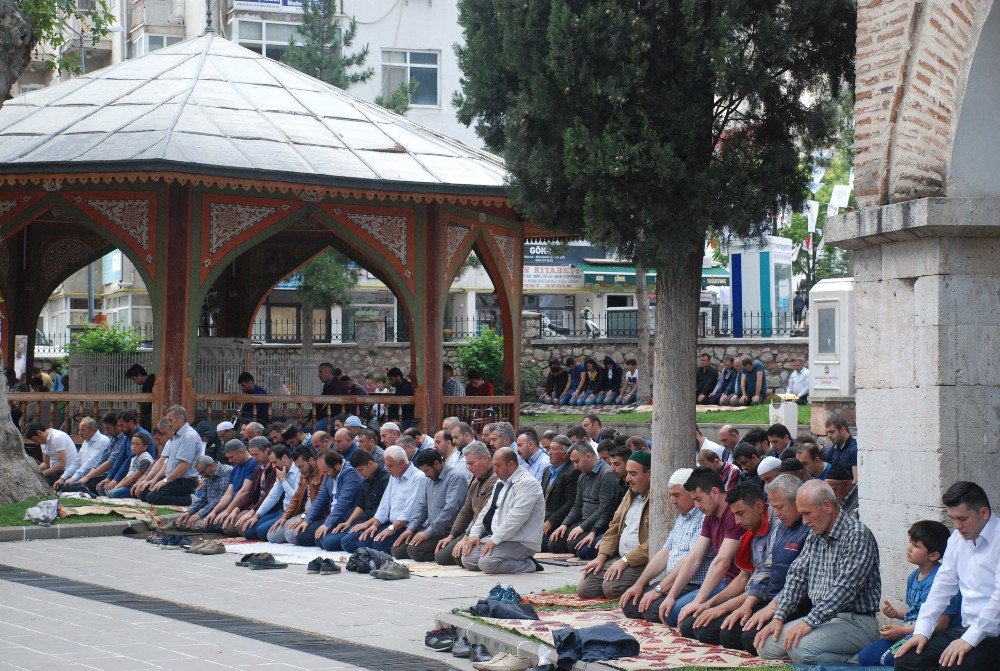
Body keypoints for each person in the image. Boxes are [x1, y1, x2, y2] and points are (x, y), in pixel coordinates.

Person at [755, 480, 881, 665]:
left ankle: (858, 660)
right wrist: (779, 617)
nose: (804, 521)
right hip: (824, 618)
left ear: (827, 506)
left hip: (856, 621)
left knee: (799, 649)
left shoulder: (857, 534)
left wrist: (809, 622)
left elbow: (844, 589)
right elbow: (797, 577)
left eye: (807, 513)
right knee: (765, 645)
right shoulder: (816, 535)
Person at [895, 481, 1000, 671]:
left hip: (994, 632)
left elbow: (998, 601)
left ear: (984, 513)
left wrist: (968, 639)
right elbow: (942, 587)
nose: (957, 526)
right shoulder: (957, 539)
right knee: (906, 660)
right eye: (953, 519)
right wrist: (922, 631)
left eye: (962, 518)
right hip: (967, 628)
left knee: (950, 667)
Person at [719, 475, 810, 655]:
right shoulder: (783, 527)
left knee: (748, 639)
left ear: (797, 502)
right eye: (774, 507)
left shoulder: (808, 530)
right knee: (726, 633)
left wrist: (774, 610)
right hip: (771, 599)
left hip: (794, 604)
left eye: (780, 507)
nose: (776, 513)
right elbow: (767, 569)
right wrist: (747, 604)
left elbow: (800, 581)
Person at [679, 482, 776, 644]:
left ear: (759, 507)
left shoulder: (777, 528)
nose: (737, 521)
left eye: (740, 513)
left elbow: (763, 585)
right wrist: (708, 604)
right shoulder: (750, 529)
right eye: (734, 515)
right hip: (750, 595)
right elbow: (745, 577)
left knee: (720, 634)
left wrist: (721, 607)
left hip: (766, 598)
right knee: (690, 624)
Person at [857, 520, 960, 666]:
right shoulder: (913, 576)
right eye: (910, 542)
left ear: (933, 555)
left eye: (916, 546)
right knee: (865, 658)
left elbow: (941, 624)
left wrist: (902, 631)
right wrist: (896, 613)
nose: (909, 548)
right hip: (909, 631)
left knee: (891, 661)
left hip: (927, 635)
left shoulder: (940, 579)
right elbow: (914, 610)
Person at [620, 468, 710, 623]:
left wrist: (660, 589)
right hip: (673, 582)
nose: (672, 501)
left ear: (692, 493)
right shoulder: (683, 517)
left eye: (677, 495)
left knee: (654, 610)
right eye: (671, 495)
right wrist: (639, 584)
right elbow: (664, 553)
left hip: (692, 584)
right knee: (631, 605)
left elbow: (690, 561)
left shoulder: (703, 517)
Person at [578, 451, 651, 599]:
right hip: (620, 557)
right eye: (628, 473)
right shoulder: (630, 494)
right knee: (585, 588)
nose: (628, 479)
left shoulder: (659, 499)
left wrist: (626, 561)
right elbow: (614, 526)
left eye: (633, 474)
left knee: (612, 588)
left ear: (649, 473)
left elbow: (655, 542)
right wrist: (601, 556)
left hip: (640, 560)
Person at [461, 447, 545, 574]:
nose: (494, 470)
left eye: (498, 466)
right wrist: (474, 534)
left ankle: (528, 564)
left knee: (487, 564)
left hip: (520, 540)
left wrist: (494, 540)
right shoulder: (501, 482)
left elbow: (516, 518)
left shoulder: (528, 483)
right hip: (498, 536)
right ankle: (501, 557)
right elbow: (486, 510)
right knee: (467, 559)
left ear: (510, 464)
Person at [340, 445, 425, 553]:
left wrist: (391, 529)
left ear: (402, 463)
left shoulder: (418, 478)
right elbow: (384, 506)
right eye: (386, 465)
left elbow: (408, 513)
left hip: (406, 526)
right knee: (348, 543)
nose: (387, 469)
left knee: (377, 545)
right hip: (391, 523)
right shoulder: (394, 476)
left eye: (390, 466)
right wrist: (374, 525)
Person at [547, 444, 620, 560]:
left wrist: (582, 527)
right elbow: (577, 505)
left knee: (576, 546)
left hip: (598, 524)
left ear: (588, 456)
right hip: (583, 522)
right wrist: (564, 524)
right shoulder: (582, 476)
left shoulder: (606, 474)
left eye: (577, 462)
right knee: (553, 542)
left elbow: (604, 509)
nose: (575, 466)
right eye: (573, 463)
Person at [393, 449, 467, 562]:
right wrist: (411, 528)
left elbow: (450, 510)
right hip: (430, 528)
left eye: (427, 470)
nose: (426, 475)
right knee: (397, 550)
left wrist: (428, 533)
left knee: (415, 551)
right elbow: (423, 507)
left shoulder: (455, 477)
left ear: (437, 464)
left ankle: (445, 554)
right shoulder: (430, 479)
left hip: (446, 530)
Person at [435, 441, 498, 565]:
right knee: (441, 555)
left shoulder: (494, 480)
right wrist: (452, 535)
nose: (469, 468)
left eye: (471, 463)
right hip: (472, 529)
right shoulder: (476, 479)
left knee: (459, 556)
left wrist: (466, 538)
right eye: (467, 464)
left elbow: (484, 515)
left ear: (485, 459)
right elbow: (465, 512)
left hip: (486, 530)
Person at [318, 450, 390, 552]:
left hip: (377, 522)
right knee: (322, 540)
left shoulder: (385, 479)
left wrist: (367, 524)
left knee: (345, 543)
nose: (359, 474)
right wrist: (349, 522)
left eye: (360, 470)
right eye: (356, 470)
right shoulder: (366, 478)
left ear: (370, 464)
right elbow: (361, 505)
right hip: (364, 520)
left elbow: (385, 511)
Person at [299, 450, 363, 547]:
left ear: (337, 465)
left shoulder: (351, 473)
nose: (325, 475)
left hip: (346, 519)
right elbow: (320, 498)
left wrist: (327, 524)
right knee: (301, 536)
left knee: (326, 542)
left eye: (326, 471)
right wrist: (307, 520)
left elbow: (343, 503)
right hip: (332, 517)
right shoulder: (329, 473)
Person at [145, 405, 202, 505]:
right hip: (173, 479)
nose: (169, 424)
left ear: (181, 418)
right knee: (143, 492)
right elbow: (166, 462)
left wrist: (165, 481)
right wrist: (154, 480)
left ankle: (190, 499)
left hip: (185, 481)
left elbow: (184, 465)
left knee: (152, 497)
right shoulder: (176, 436)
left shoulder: (189, 436)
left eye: (170, 420)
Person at [242, 445, 301, 540]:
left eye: (274, 462)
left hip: (294, 513)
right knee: (248, 531)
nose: (273, 466)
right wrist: (256, 515)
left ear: (284, 457)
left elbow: (297, 497)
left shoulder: (299, 470)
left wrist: (283, 481)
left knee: (262, 531)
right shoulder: (281, 470)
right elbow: (273, 496)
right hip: (283, 511)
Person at [265, 447, 323, 544]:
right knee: (272, 536)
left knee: (291, 535)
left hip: (315, 515)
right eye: (298, 467)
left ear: (311, 460)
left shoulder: (322, 473)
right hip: (303, 513)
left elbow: (319, 503)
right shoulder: (303, 474)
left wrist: (304, 517)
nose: (300, 470)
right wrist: (284, 517)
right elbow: (296, 498)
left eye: (301, 466)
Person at [540, 435, 579, 551]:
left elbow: (571, 502)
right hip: (543, 518)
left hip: (560, 521)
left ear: (564, 455)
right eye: (549, 449)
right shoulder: (547, 471)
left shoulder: (572, 472)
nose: (550, 452)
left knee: (545, 544)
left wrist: (551, 521)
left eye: (554, 449)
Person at [176, 457, 234, 531]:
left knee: (195, 525)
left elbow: (220, 499)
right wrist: (189, 512)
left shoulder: (227, 472)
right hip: (211, 510)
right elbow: (203, 499)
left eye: (202, 472)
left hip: (223, 510)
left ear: (211, 465)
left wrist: (200, 514)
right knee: (185, 521)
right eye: (200, 473)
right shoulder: (209, 476)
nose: (202, 476)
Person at [54, 417, 110, 493]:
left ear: (93, 430)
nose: (80, 433)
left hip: (96, 477)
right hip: (83, 476)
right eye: (79, 430)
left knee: (71, 487)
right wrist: (63, 478)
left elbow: (90, 463)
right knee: (62, 484)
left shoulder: (103, 441)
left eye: (83, 430)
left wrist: (73, 478)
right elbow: (76, 463)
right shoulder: (86, 441)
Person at [108, 433, 155, 498]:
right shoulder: (134, 458)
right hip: (129, 484)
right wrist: (117, 486)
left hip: (136, 485)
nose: (133, 446)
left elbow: (133, 478)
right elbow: (127, 476)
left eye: (137, 444)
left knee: (114, 494)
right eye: (132, 443)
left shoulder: (145, 459)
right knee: (107, 490)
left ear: (145, 447)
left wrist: (117, 488)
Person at [823, 416, 858, 483]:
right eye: (827, 432)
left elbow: (856, 481)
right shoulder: (834, 448)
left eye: (832, 432)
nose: (829, 435)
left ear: (842, 430)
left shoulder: (854, 449)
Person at [125, 364, 155, 430]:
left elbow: (146, 404)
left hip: (149, 418)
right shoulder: (149, 382)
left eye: (134, 379)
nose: (134, 382)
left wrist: (140, 412)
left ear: (139, 376)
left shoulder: (148, 384)